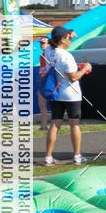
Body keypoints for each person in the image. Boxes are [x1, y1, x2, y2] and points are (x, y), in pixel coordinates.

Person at [43, 26, 91, 166]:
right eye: (69, 37)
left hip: (56, 94)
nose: (71, 39)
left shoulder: (48, 51)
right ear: (63, 39)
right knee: (74, 125)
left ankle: (48, 157)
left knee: (55, 125)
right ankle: (77, 156)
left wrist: (77, 66)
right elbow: (73, 77)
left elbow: (63, 68)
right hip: (71, 95)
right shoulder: (66, 56)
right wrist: (85, 69)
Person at [37, 36, 50, 130]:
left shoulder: (49, 54)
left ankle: (45, 125)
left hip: (49, 81)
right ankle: (44, 125)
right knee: (42, 104)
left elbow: (45, 71)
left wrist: (42, 83)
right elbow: (42, 71)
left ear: (48, 44)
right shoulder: (42, 55)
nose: (41, 44)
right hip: (46, 81)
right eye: (41, 43)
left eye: (43, 43)